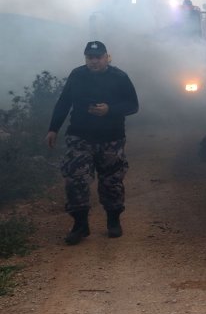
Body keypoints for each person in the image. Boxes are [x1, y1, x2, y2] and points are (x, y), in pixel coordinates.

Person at [45, 41, 139, 245]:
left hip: (111, 137)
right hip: (80, 136)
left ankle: (113, 221)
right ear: (85, 58)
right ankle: (80, 225)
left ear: (106, 57)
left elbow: (133, 105)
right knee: (75, 178)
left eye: (98, 57)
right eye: (90, 57)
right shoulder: (77, 75)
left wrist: (110, 110)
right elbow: (64, 102)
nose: (94, 61)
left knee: (111, 181)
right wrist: (53, 128)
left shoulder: (119, 77)